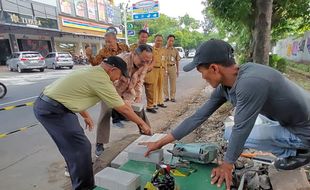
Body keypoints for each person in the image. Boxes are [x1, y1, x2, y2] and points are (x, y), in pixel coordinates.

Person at [141, 39, 310, 189]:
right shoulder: (228, 84)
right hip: (292, 119)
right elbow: (198, 116)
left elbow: (242, 128)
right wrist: (161, 142)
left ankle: (299, 152)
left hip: (304, 129)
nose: (203, 77)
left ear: (214, 68)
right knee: (230, 133)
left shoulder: (251, 82)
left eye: (202, 72)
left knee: (237, 131)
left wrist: (228, 165)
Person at [33, 56, 151, 190]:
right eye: (119, 75)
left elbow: (72, 95)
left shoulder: (92, 71)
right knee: (81, 148)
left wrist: (86, 115)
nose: (118, 79)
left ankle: (77, 173)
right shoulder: (101, 79)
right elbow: (122, 108)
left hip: (55, 106)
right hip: (53, 111)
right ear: (113, 69)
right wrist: (142, 124)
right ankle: (84, 187)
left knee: (76, 145)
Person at [94, 44, 153, 157]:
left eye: (148, 61)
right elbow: (108, 80)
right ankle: (100, 143)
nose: (145, 64)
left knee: (139, 109)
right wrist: (119, 102)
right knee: (106, 112)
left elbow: (140, 81)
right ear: (134, 54)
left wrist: (137, 96)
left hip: (127, 90)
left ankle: (147, 134)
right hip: (111, 88)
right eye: (143, 60)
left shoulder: (145, 64)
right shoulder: (121, 60)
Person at [86, 32, 129, 128]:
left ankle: (122, 116)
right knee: (109, 103)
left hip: (122, 77)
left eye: (109, 41)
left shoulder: (124, 47)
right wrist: (89, 56)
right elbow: (95, 63)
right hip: (109, 79)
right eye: (106, 42)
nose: (108, 44)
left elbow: (129, 59)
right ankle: (115, 119)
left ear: (115, 40)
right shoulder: (103, 52)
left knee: (124, 98)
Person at [144, 34, 167, 113]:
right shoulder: (151, 49)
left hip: (161, 69)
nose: (159, 42)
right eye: (157, 40)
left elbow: (165, 60)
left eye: (160, 40)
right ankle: (153, 103)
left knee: (160, 86)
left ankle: (160, 102)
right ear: (155, 40)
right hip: (153, 69)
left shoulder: (163, 50)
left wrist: (165, 70)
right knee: (153, 87)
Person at [164, 34, 180, 102]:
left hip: (172, 67)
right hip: (164, 67)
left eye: (172, 41)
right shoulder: (163, 49)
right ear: (167, 40)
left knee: (173, 83)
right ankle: (166, 97)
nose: (171, 42)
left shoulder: (175, 50)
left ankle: (172, 97)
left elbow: (177, 60)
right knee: (164, 83)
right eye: (170, 40)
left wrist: (177, 70)